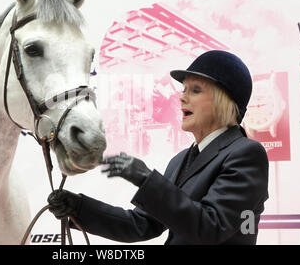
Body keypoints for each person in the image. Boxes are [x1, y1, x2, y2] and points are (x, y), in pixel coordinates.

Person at [47, 50, 269, 245]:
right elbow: (142, 224)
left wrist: (145, 179)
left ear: (225, 101)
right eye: (183, 89)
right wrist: (78, 208)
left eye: (196, 90)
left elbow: (211, 227)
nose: (182, 97)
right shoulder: (181, 160)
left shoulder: (246, 154)